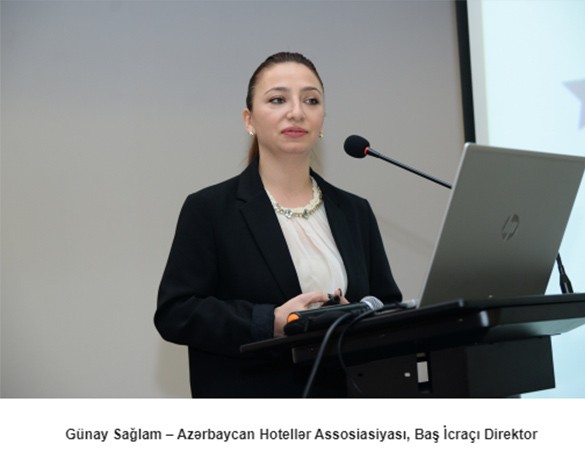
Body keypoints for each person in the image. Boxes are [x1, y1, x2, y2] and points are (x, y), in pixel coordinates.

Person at [154, 52, 401, 398]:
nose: (296, 112)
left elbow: (386, 304)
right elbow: (176, 313)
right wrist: (270, 321)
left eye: (311, 100)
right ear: (249, 120)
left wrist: (356, 315)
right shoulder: (210, 210)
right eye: (277, 100)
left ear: (322, 121)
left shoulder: (354, 211)